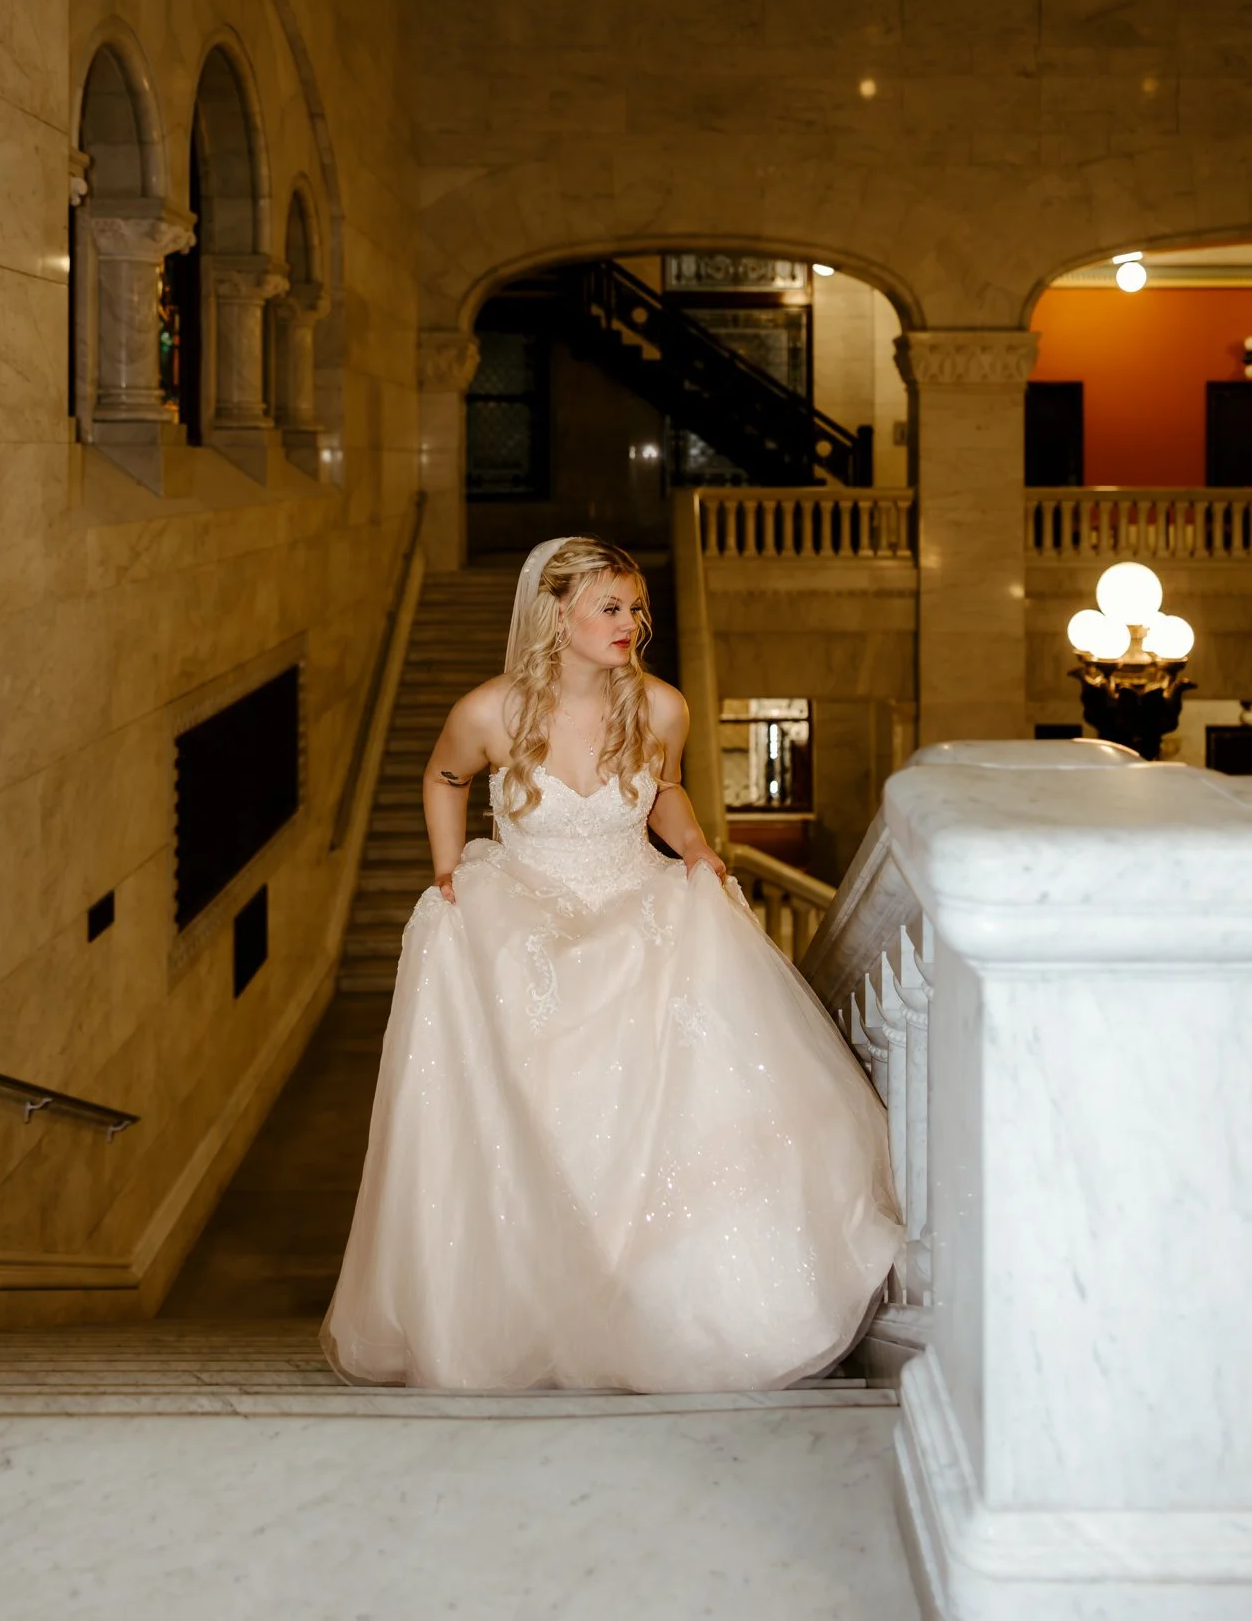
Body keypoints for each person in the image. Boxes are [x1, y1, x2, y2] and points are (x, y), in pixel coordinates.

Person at [320, 535, 900, 1392]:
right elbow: (443, 777)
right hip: (524, 914)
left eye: (635, 609)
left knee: (678, 1092)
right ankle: (535, 1300)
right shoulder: (491, 711)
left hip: (636, 904)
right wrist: (448, 871)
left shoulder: (660, 708)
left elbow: (662, 792)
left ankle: (664, 1295)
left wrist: (698, 851)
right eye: (611, 608)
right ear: (557, 614)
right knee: (546, 1114)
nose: (631, 624)